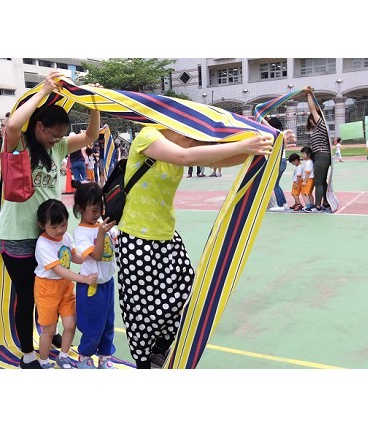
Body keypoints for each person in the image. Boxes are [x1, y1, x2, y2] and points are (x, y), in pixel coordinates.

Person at [116, 125, 273, 369]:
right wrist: (243, 145)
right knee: (143, 311)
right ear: (181, 130)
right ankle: (143, 362)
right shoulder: (149, 136)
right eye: (193, 139)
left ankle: (159, 349)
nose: (196, 143)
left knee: (188, 294)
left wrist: (265, 146)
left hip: (167, 237)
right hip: (137, 240)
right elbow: (184, 157)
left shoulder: (184, 145)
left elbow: (221, 160)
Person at [0, 70, 101, 369]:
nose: (57, 139)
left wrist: (93, 104)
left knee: (52, 288)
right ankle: (28, 353)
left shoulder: (58, 147)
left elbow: (90, 136)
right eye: (53, 134)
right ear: (39, 126)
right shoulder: (19, 145)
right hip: (19, 235)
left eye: (60, 136)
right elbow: (13, 124)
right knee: (29, 295)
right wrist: (43, 90)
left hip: (52, 234)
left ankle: (49, 333)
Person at [33, 199, 98, 369]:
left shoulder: (66, 237)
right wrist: (84, 279)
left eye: (63, 225)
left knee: (70, 324)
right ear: (41, 225)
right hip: (47, 288)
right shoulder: (43, 244)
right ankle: (44, 361)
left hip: (65, 287)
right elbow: (59, 270)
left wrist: (92, 252)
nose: (60, 230)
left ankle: (63, 356)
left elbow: (75, 257)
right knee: (49, 330)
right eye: (54, 227)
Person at [72, 182, 118, 369]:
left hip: (107, 282)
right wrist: (101, 234)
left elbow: (116, 236)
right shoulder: (81, 232)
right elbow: (97, 256)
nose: (97, 214)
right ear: (80, 209)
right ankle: (85, 356)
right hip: (91, 286)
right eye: (92, 210)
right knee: (93, 324)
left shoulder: (102, 225)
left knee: (108, 322)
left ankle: (105, 357)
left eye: (99, 209)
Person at [302, 86, 332, 213]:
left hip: (321, 155)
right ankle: (325, 202)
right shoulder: (318, 129)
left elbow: (312, 109)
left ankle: (317, 206)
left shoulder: (321, 125)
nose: (311, 121)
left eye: (312, 119)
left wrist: (309, 95)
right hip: (320, 156)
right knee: (322, 181)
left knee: (318, 182)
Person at [265, 116, 290, 212]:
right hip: (283, 161)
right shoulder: (281, 133)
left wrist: (262, 119)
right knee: (277, 184)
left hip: (279, 161)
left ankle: (280, 205)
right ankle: (284, 203)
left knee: (274, 184)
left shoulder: (276, 134)